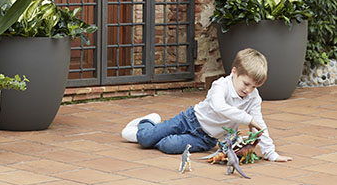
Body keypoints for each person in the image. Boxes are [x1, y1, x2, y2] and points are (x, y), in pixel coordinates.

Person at [121, 48, 291, 162]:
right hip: (189, 120)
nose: (249, 90)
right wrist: (247, 119)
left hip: (205, 139)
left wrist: (271, 154)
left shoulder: (253, 98)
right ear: (234, 72)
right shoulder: (220, 85)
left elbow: (259, 125)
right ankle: (148, 123)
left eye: (254, 86)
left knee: (168, 145)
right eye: (246, 83)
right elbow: (219, 107)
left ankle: (153, 135)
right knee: (145, 139)